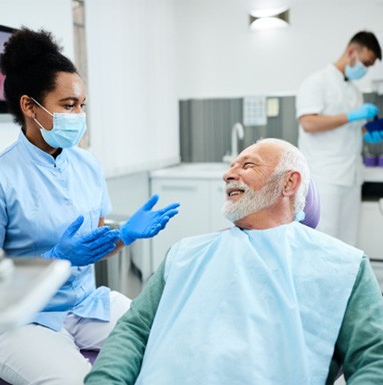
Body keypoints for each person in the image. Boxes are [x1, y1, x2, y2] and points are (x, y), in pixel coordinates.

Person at [84, 138, 383, 385]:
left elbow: (373, 358)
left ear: (289, 183)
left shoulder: (343, 265)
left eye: (248, 165)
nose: (228, 174)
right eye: (230, 166)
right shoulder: (186, 254)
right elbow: (134, 330)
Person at [0, 27, 179, 384]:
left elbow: (92, 245)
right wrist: (53, 260)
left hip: (85, 304)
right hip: (22, 318)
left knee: (172, 334)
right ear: (29, 106)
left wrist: (123, 236)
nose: (79, 115)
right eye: (68, 105)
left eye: (82, 105)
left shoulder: (87, 165)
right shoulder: (3, 175)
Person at [296, 31, 382, 246]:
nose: (366, 70)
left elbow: (354, 128)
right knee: (324, 240)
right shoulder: (316, 82)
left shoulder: (355, 91)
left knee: (348, 243)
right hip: (325, 176)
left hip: (352, 176)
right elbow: (308, 123)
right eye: (365, 63)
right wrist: (351, 116)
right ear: (352, 52)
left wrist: (369, 133)